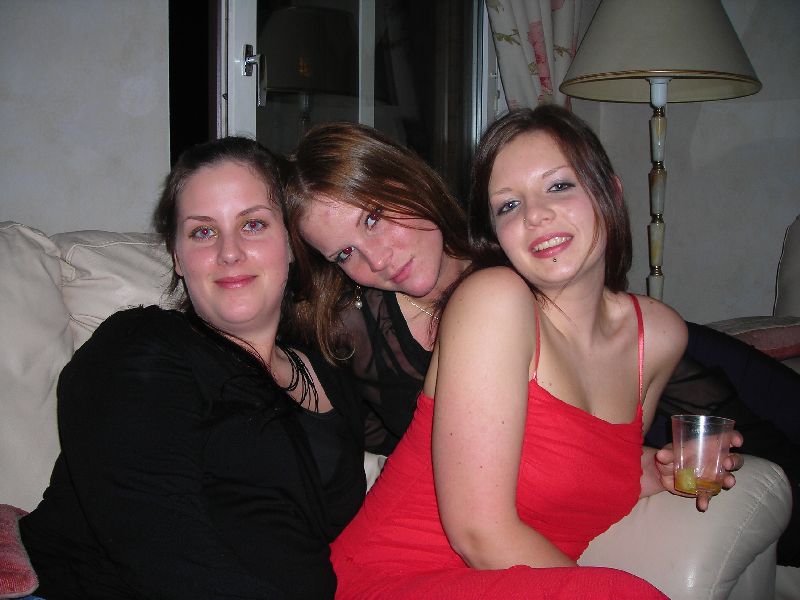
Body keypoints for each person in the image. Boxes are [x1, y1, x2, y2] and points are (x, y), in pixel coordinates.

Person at [285, 119, 800, 565]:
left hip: (654, 348)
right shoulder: (353, 330)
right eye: (344, 254)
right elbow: (342, 451)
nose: (375, 259)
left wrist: (662, 461)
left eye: (373, 218)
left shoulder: (526, 268)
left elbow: (597, 438)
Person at [18, 137, 366, 599]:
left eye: (253, 225)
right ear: (178, 257)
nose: (229, 252)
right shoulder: (139, 349)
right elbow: (159, 547)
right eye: (203, 232)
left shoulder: (327, 372)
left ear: (290, 243)